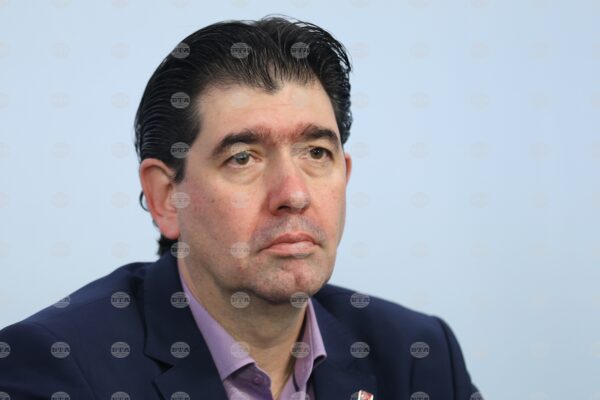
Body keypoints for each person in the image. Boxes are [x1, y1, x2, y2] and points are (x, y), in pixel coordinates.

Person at [0, 15, 482, 400]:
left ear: (345, 173)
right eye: (243, 158)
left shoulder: (418, 355)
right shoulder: (57, 366)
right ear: (167, 197)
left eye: (316, 153)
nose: (294, 194)